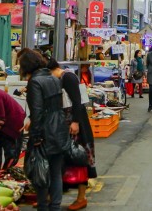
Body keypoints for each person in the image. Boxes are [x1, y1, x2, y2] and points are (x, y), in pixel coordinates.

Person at [47, 59, 95, 211]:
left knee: (80, 159)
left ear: (52, 70)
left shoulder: (67, 77)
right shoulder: (62, 78)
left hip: (77, 127)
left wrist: (75, 122)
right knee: (62, 161)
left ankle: (81, 198)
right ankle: (52, 196)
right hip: (66, 126)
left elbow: (77, 101)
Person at [21, 50, 65, 211]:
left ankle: (43, 207)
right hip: (59, 129)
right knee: (55, 173)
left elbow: (37, 111)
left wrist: (36, 136)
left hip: (45, 132)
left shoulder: (35, 82)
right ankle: (55, 207)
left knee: (40, 172)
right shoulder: (53, 78)